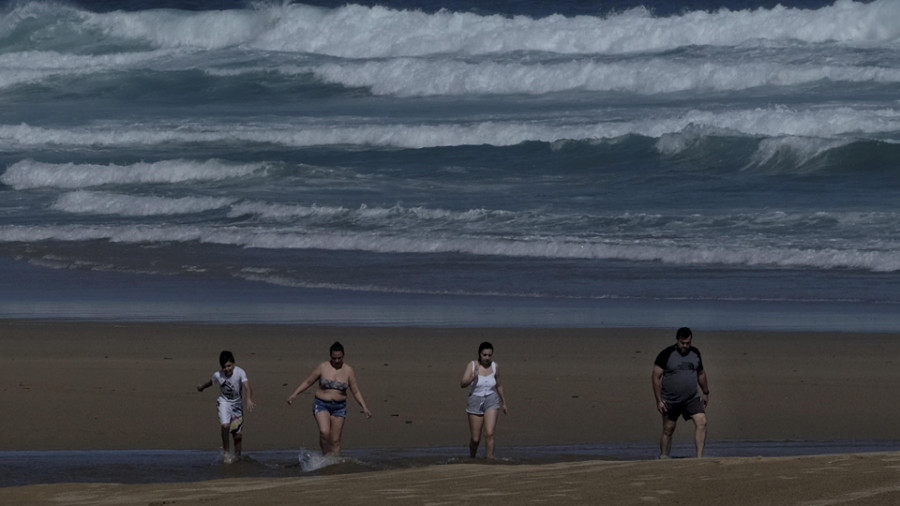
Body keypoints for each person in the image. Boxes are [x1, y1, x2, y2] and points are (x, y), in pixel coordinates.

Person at [285, 341, 372, 456]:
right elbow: (308, 381)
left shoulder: (348, 370)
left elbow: (355, 391)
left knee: (335, 440)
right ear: (330, 356)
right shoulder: (323, 367)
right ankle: (325, 456)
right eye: (334, 358)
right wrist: (294, 394)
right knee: (324, 431)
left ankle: (334, 462)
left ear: (343, 356)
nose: (336, 361)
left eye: (339, 358)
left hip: (339, 407)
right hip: (322, 404)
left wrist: (364, 407)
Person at [651, 327, 710, 458]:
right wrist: (659, 400)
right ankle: (664, 456)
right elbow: (655, 377)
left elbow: (701, 373)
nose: (685, 346)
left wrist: (705, 392)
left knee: (702, 421)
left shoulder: (695, 353)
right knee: (668, 428)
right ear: (677, 341)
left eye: (688, 343)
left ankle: (699, 457)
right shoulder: (666, 354)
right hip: (670, 399)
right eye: (682, 343)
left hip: (691, 398)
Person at [196, 350, 255, 463]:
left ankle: (238, 457)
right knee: (225, 425)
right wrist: (202, 387)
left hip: (237, 405)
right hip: (224, 403)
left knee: (237, 435)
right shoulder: (218, 375)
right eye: (224, 367)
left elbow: (248, 387)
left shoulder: (240, 372)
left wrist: (248, 399)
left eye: (229, 366)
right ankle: (226, 453)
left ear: (233, 364)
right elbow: (210, 382)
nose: (227, 369)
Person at [460, 341, 508, 459]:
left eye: (489, 355)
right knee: (476, 439)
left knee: (489, 433)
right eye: (484, 355)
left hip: (491, 400)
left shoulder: (495, 366)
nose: (487, 357)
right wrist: (473, 376)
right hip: (475, 400)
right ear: (479, 354)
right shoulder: (472, 365)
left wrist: (504, 403)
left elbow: (499, 385)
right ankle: (472, 457)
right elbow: (462, 384)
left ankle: (490, 458)